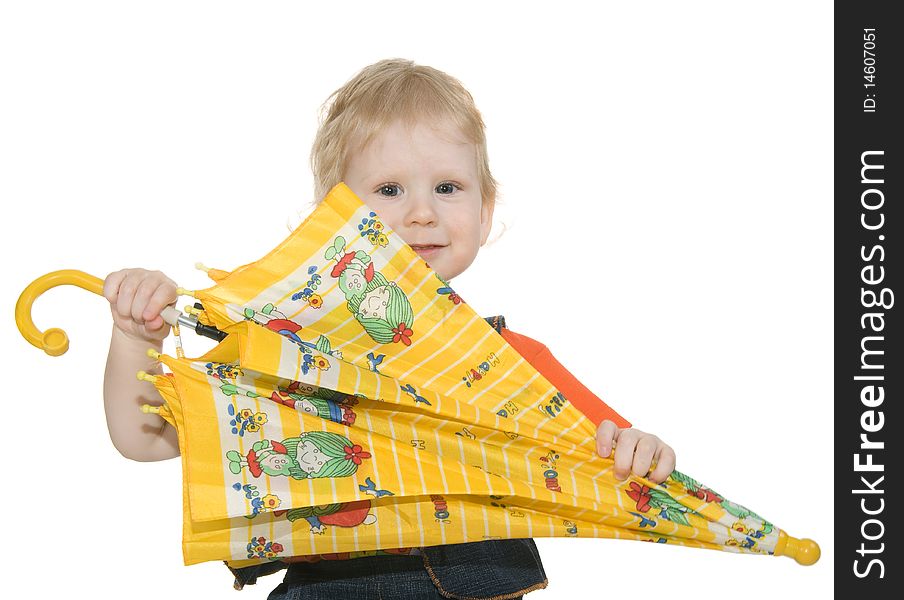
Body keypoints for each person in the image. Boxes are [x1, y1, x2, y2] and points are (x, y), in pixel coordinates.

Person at [102, 58, 677, 599]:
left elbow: (626, 461)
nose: (421, 212)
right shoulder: (290, 353)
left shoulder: (512, 363)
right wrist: (136, 338)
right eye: (389, 190)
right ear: (333, 219)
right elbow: (145, 438)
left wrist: (642, 449)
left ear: (484, 209)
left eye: (447, 187)